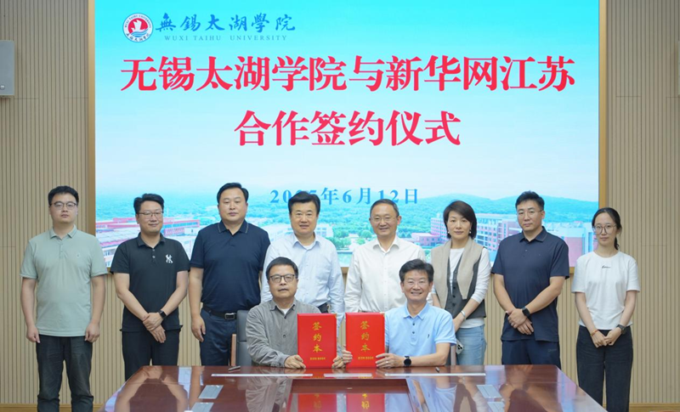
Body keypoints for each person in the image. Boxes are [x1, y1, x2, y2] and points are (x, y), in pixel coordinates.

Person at [20, 186, 107, 412]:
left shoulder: (90, 243)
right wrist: (30, 323)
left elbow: (99, 285)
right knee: (47, 394)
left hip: (80, 330)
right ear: (50, 209)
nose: (64, 209)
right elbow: (28, 286)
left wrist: (95, 321)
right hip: (46, 330)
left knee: (82, 392)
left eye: (70, 205)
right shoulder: (35, 243)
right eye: (58, 204)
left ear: (77, 209)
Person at [189, 183, 270, 365]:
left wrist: (265, 317)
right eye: (226, 202)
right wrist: (195, 315)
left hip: (249, 319)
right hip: (211, 320)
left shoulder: (260, 236)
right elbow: (195, 277)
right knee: (211, 376)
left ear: (246, 206)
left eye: (237, 201)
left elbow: (265, 279)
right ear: (218, 207)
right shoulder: (205, 235)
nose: (232, 206)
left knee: (248, 375)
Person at [112, 193, 190, 380]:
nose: (153, 218)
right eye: (147, 213)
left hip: (168, 327)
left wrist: (160, 316)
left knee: (168, 382)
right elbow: (122, 290)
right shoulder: (125, 249)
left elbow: (182, 288)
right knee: (135, 382)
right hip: (135, 328)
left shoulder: (176, 248)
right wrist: (149, 320)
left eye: (157, 213)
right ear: (137, 217)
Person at [572, 207, 639, 412]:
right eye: (598, 227)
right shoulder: (584, 261)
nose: (603, 231)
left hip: (620, 336)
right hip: (589, 336)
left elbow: (631, 299)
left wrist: (619, 328)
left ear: (617, 229)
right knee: (589, 398)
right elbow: (580, 299)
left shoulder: (628, 262)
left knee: (619, 396)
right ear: (593, 230)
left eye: (608, 226)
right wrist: (593, 331)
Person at [492, 191, 569, 367]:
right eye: (521, 212)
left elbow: (555, 288)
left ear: (542, 214)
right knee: (511, 382)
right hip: (512, 331)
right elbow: (498, 284)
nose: (525, 217)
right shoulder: (506, 245)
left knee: (546, 384)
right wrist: (515, 314)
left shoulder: (557, 245)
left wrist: (524, 313)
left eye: (531, 211)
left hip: (543, 333)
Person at [247, 257, 348, 368]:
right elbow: (257, 349)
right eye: (276, 278)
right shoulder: (257, 313)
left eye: (288, 277)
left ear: (297, 282)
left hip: (304, 374)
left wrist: (339, 357)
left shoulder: (312, 312)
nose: (282, 282)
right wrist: (284, 360)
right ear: (268, 284)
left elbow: (329, 345)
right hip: (268, 375)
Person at [260, 191, 344, 319]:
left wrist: (335, 325)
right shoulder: (277, 248)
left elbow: (336, 290)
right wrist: (268, 320)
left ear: (317, 216)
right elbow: (267, 290)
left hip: (319, 315)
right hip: (283, 315)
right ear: (290, 216)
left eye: (309, 214)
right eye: (298, 214)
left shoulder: (328, 248)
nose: (304, 219)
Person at [431, 200, 491, 365]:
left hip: (470, 327)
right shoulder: (436, 253)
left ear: (471, 225)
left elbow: (480, 291)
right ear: (446, 224)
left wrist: (458, 320)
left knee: (470, 378)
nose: (458, 225)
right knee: (442, 377)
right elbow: (432, 289)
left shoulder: (481, 252)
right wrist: (443, 320)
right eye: (453, 220)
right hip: (441, 327)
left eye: (464, 220)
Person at [345, 199, 429, 313]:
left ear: (398, 220)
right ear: (370, 221)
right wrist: (355, 319)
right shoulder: (360, 253)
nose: (382, 223)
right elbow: (352, 294)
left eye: (387, 218)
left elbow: (425, 292)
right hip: (369, 319)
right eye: (377, 218)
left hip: (406, 319)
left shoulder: (414, 252)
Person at [374, 259, 456, 368]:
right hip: (395, 376)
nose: (416, 287)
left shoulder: (443, 317)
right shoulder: (388, 317)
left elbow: (441, 358)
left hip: (431, 376)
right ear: (402, 286)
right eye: (410, 282)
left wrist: (404, 361)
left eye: (421, 282)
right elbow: (378, 355)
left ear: (430, 286)